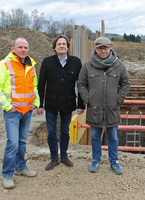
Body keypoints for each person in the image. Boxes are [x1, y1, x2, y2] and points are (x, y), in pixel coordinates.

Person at [0, 38, 40, 189]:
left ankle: (20, 167)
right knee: (13, 143)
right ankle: (7, 174)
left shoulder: (31, 65)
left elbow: (34, 86)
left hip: (27, 111)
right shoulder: (4, 64)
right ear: (13, 48)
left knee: (23, 142)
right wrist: (6, 105)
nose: (23, 50)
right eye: (20, 47)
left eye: (25, 47)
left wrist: (35, 103)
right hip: (13, 112)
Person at [77, 37, 130, 175]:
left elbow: (126, 83)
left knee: (113, 137)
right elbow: (81, 83)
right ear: (96, 49)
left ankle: (114, 161)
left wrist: (118, 98)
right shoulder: (88, 66)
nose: (103, 50)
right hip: (95, 108)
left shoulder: (119, 65)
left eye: (106, 48)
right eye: (100, 48)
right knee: (95, 136)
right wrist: (88, 98)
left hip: (112, 108)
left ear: (110, 48)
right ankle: (95, 160)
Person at [37, 35, 85, 171]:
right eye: (59, 44)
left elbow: (81, 84)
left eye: (64, 44)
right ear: (54, 47)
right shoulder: (47, 62)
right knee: (51, 132)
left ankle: (64, 156)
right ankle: (54, 158)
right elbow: (41, 84)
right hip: (51, 103)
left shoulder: (75, 62)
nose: (62, 46)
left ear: (68, 47)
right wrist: (39, 104)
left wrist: (81, 105)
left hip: (68, 103)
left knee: (65, 131)